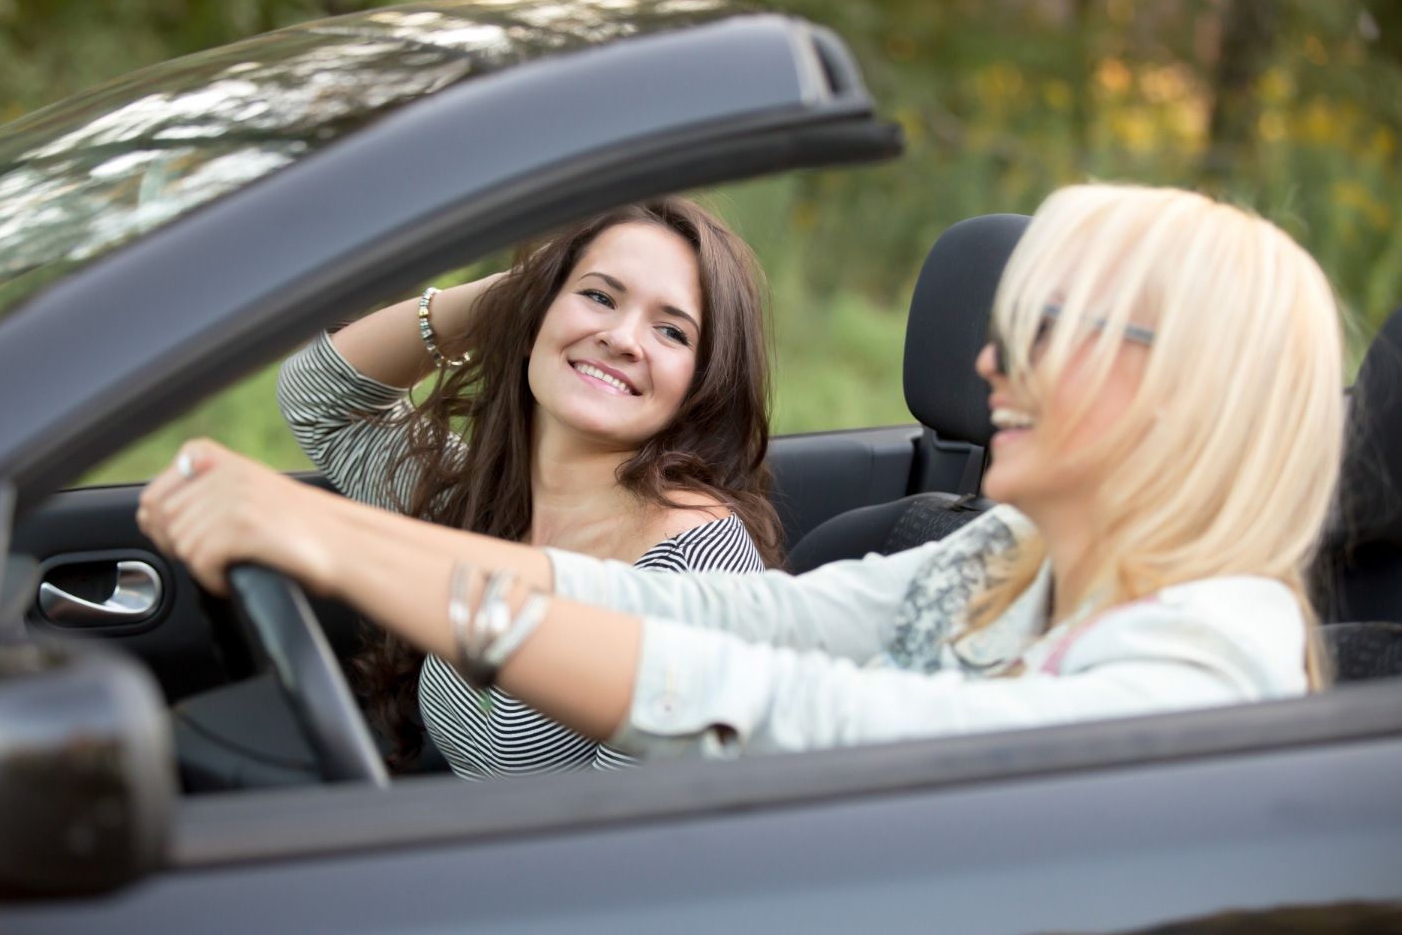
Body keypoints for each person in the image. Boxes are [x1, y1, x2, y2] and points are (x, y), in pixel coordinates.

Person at [138, 183, 1345, 762]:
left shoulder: (1206, 658)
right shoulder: (1011, 559)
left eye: (1041, 336)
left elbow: (798, 714)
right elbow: (744, 618)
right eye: (596, 297)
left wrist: (349, 547)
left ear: (1188, 385)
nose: (988, 363)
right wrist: (327, 531)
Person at [270, 197, 781, 776]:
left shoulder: (694, 569)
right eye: (598, 296)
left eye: (671, 331)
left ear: (703, 383)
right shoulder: (474, 504)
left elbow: (631, 842)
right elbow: (319, 401)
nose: (622, 338)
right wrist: (504, 299)